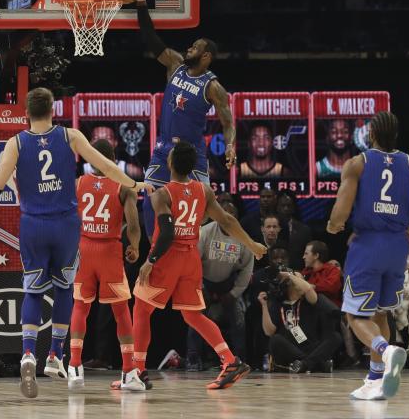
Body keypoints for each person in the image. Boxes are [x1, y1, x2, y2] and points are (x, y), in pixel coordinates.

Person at [0, 87, 151, 399]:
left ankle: (28, 354)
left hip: (33, 226)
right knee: (64, 289)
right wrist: (134, 183)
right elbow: (107, 165)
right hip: (66, 226)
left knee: (32, 290)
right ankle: (55, 355)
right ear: (53, 110)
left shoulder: (16, 143)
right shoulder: (70, 136)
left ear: (26, 112)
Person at [328, 111, 409, 401]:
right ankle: (375, 380)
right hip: (398, 246)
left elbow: (341, 212)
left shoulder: (358, 163)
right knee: (380, 312)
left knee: (354, 315)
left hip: (368, 244)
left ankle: (386, 350)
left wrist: (333, 226)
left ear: (371, 135)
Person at [130, 142, 266, 391]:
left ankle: (137, 371)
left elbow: (167, 232)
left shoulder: (162, 194)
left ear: (170, 163)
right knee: (192, 315)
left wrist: (150, 261)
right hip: (191, 258)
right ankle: (230, 361)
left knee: (141, 310)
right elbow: (226, 219)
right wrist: (252, 244)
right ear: (193, 167)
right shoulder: (204, 191)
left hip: (167, 258)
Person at [131, 0, 235, 191]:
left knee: (203, 206)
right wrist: (141, 1)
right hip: (163, 149)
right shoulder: (175, 65)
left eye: (195, 47)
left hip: (192, 154)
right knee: (150, 199)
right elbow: (151, 38)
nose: (189, 48)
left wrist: (230, 146)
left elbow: (228, 123)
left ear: (206, 57)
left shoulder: (213, 87)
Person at [68, 139, 142, 390]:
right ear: (112, 159)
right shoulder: (123, 185)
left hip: (85, 248)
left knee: (80, 307)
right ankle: (129, 370)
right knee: (121, 311)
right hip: (110, 250)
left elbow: (67, 217)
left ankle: (75, 367)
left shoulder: (78, 183)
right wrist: (134, 246)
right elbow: (133, 224)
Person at [187, 199, 254, 371]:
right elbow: (193, 263)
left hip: (228, 283)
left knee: (239, 320)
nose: (228, 217)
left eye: (232, 214)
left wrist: (233, 293)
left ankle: (240, 360)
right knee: (194, 317)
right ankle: (193, 359)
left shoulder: (243, 237)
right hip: (203, 282)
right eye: (224, 213)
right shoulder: (205, 232)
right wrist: (200, 288)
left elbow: (247, 269)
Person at [259, 264, 341, 373]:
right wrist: (264, 306)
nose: (302, 282)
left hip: (311, 346)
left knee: (335, 337)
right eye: (298, 279)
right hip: (291, 348)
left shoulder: (309, 300)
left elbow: (308, 289)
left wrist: (290, 275)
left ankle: (305, 364)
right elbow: (269, 331)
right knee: (275, 340)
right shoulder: (279, 304)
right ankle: (317, 364)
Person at [277, 194, 312, 270]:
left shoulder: (304, 229)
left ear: (293, 208)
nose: (286, 208)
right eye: (283, 205)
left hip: (298, 271)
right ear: (277, 207)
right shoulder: (270, 227)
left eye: (288, 205)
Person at [302, 241, 342, 307]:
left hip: (328, 312)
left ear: (316, 256)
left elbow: (331, 287)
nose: (303, 257)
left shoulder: (332, 270)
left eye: (306, 254)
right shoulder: (305, 272)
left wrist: (313, 287)